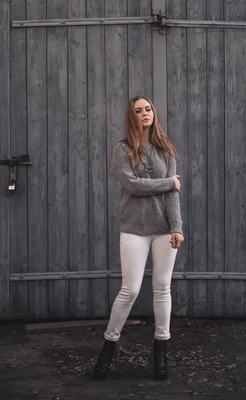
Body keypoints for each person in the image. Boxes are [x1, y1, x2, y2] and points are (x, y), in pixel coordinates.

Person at [92, 96, 184, 381]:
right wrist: (169, 181)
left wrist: (177, 227)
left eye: (148, 109)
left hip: (163, 229)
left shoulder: (166, 150)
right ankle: (108, 348)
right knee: (129, 290)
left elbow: (172, 196)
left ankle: (161, 353)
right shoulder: (121, 149)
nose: (145, 114)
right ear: (131, 117)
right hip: (133, 228)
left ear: (153, 113)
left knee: (161, 288)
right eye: (138, 111)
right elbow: (132, 185)